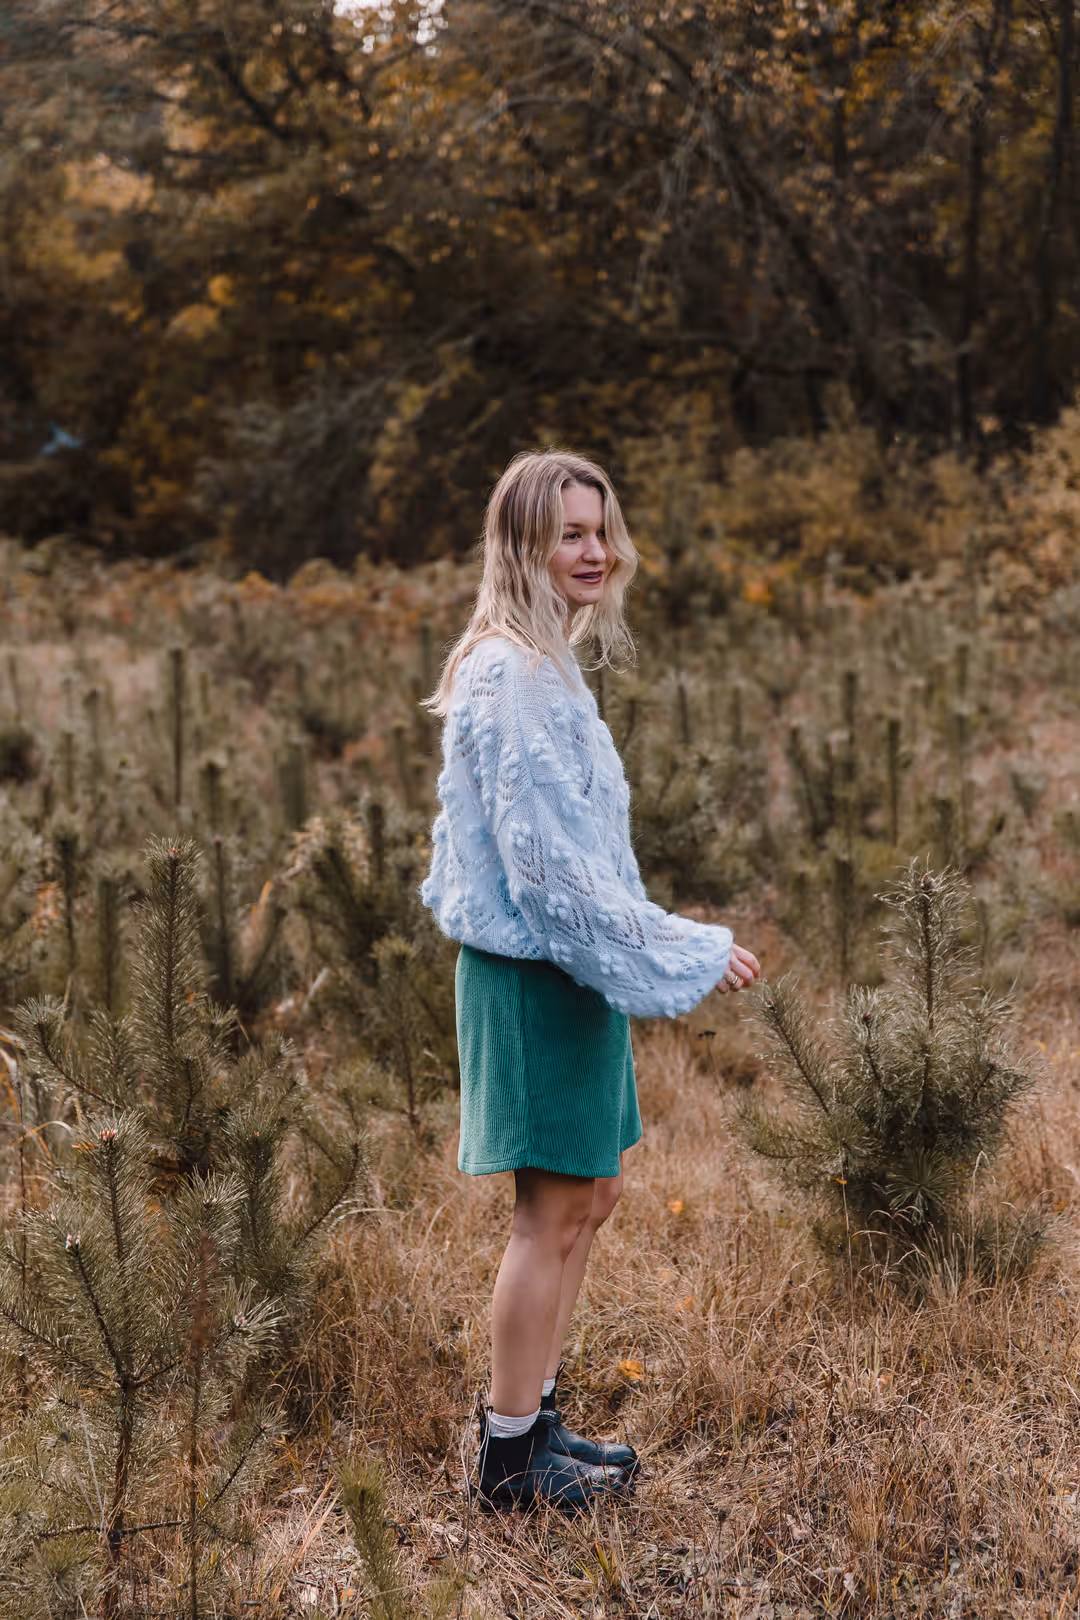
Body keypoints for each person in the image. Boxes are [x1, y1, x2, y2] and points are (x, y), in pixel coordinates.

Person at [419, 448, 761, 1511]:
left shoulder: (546, 661)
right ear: (523, 544)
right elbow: (549, 876)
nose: (595, 550)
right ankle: (509, 1462)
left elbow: (581, 856)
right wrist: (680, 948)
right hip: (533, 976)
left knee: (592, 1196)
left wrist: (641, 949)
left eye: (600, 530)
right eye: (570, 533)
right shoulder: (512, 674)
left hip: (570, 972)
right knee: (550, 1212)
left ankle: (537, 1420)